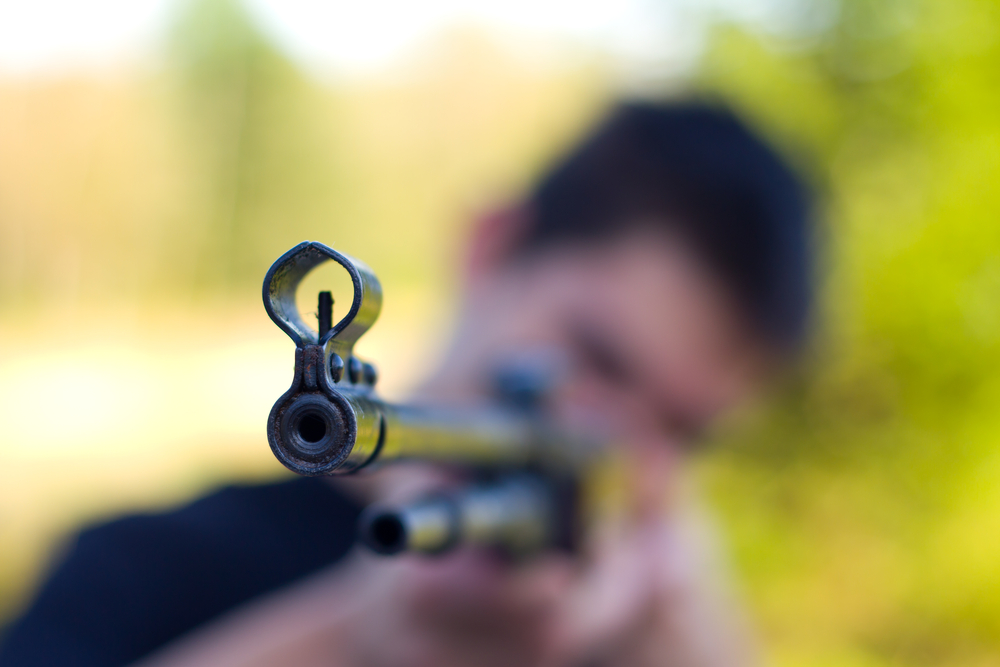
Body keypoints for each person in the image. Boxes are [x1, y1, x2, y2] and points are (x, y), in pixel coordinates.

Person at [0, 101, 812, 667]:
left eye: (679, 429)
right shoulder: (145, 567)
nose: (607, 435)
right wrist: (354, 640)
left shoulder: (651, 610)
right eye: (597, 356)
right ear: (493, 247)